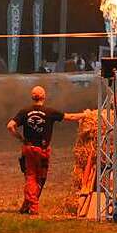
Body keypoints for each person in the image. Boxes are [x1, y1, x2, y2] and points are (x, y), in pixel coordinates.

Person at [6, 85, 86, 215]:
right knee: (40, 178)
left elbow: (10, 126)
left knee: (30, 176)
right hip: (43, 150)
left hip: (29, 149)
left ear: (32, 97)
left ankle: (27, 205)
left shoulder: (24, 111)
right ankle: (34, 207)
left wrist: (20, 138)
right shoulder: (49, 112)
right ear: (44, 96)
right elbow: (70, 117)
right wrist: (87, 114)